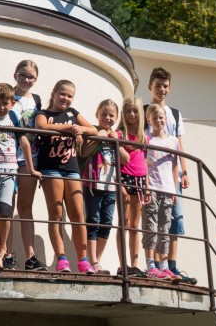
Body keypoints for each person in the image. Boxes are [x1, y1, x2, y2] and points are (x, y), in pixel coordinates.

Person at [34, 80, 97, 273]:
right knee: (56, 214)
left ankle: (83, 260)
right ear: (53, 93)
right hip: (50, 169)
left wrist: (79, 129)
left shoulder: (73, 113)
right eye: (62, 94)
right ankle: (62, 259)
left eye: (70, 96)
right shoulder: (43, 114)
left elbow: (93, 130)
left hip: (71, 168)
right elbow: (41, 127)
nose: (66, 98)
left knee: (78, 215)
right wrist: (68, 128)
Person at [0, 83, 38, 269]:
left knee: (4, 214)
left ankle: (3, 250)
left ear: (12, 103)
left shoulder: (14, 117)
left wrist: (31, 168)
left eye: (5, 103)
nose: (2, 107)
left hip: (9, 172)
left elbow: (24, 142)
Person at [146, 67, 196, 284]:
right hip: (151, 177)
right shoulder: (144, 111)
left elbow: (178, 145)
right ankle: (155, 266)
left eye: (165, 86)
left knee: (174, 220)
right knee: (153, 220)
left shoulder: (174, 114)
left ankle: (171, 266)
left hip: (171, 177)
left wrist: (184, 172)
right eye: (158, 85)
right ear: (150, 87)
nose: (162, 90)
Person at [80, 99, 127, 275]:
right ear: (97, 115)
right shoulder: (93, 132)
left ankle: (97, 261)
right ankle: (92, 260)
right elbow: (83, 153)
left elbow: (126, 159)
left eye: (111, 115)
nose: (107, 118)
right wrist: (97, 138)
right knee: (93, 221)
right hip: (93, 184)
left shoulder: (117, 136)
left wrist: (116, 143)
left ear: (116, 118)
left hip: (111, 186)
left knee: (106, 223)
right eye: (104, 114)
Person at [8, 59, 45, 271]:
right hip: (7, 157)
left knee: (25, 207)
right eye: (22, 75)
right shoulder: (7, 96)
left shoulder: (37, 101)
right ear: (15, 75)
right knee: (6, 207)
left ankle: (30, 257)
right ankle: (7, 254)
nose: (26, 79)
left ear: (36, 79)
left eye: (30, 76)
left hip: (30, 158)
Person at [143, 104, 181, 282]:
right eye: (154, 118)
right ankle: (151, 265)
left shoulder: (173, 141)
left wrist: (175, 190)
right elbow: (143, 163)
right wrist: (147, 186)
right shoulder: (147, 139)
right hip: (153, 188)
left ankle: (164, 266)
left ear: (165, 119)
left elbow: (175, 166)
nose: (158, 121)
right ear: (148, 120)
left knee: (164, 228)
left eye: (161, 117)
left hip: (167, 189)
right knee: (150, 226)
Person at [117, 97, 148, 278]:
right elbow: (114, 160)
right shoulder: (119, 134)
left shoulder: (144, 136)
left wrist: (148, 187)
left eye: (135, 111)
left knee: (136, 225)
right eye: (128, 111)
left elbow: (145, 162)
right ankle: (123, 264)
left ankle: (135, 265)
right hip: (124, 178)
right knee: (124, 223)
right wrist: (119, 182)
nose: (132, 114)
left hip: (140, 179)